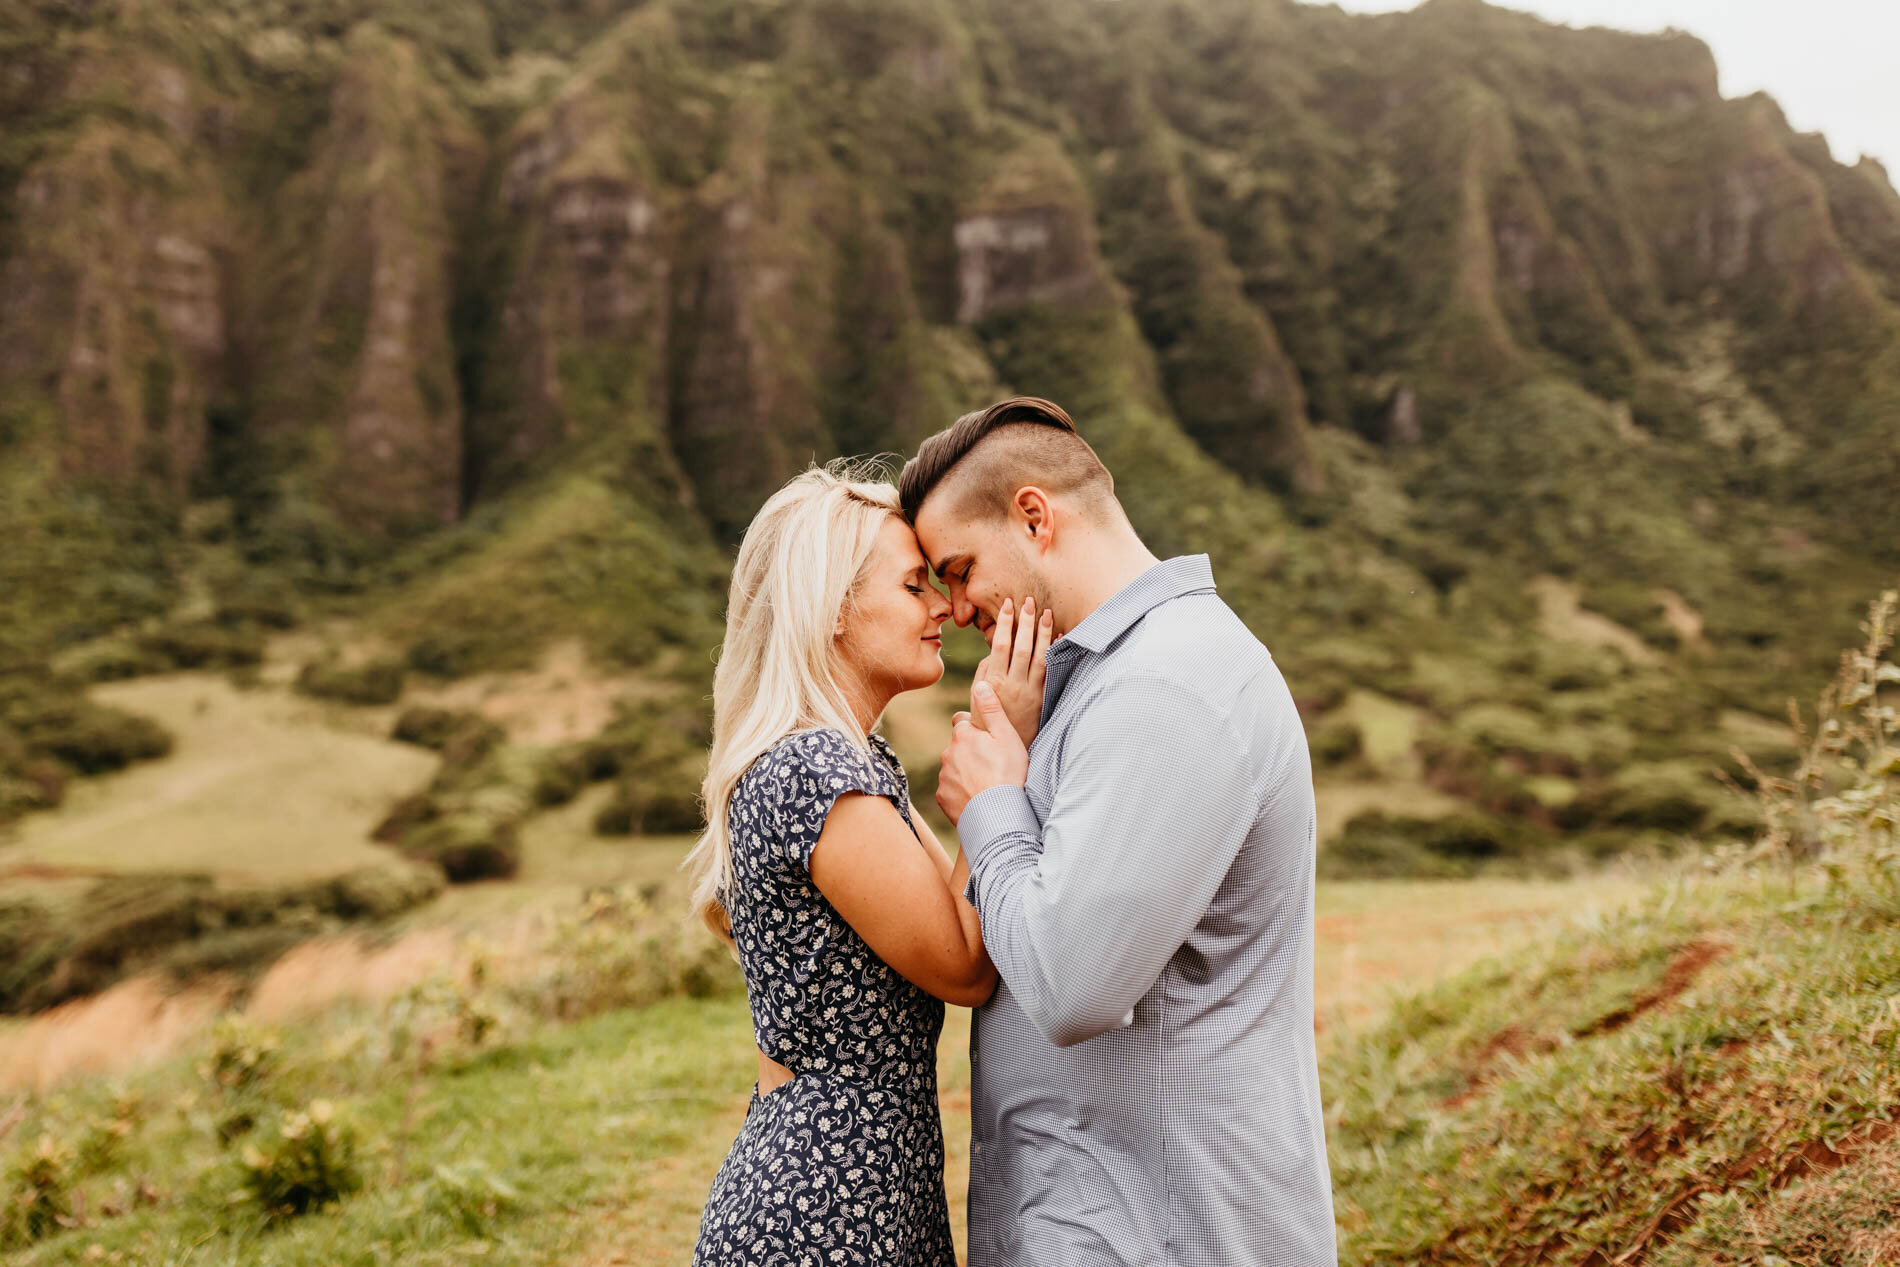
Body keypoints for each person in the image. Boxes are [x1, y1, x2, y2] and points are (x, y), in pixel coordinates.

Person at [904, 396, 1338, 1267]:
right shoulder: (1113, 684)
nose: (956, 610)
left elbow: (1074, 985)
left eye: (960, 568)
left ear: (1034, 517)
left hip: (1168, 1227)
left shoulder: (1165, 685)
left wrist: (991, 803)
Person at [684, 464, 997, 1267]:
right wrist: (1000, 766)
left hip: (855, 1189)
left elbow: (948, 911)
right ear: (833, 609)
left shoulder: (852, 762)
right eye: (910, 585)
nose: (940, 608)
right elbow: (965, 964)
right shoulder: (817, 771)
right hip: (827, 1206)